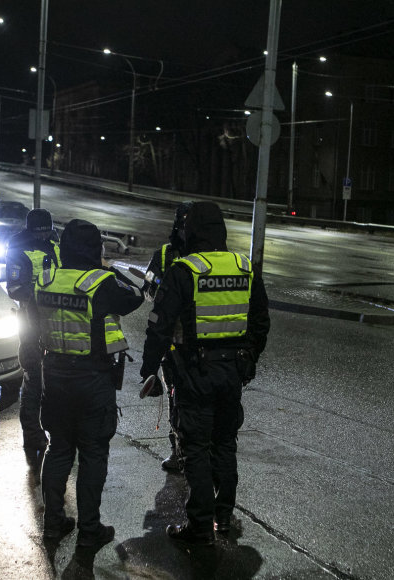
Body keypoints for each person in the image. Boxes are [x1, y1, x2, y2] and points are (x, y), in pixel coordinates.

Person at [140, 201, 270, 545]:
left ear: (191, 229)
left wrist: (149, 369)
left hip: (194, 372)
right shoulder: (244, 267)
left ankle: (199, 525)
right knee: (225, 444)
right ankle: (223, 517)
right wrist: (247, 358)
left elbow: (159, 326)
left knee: (195, 447)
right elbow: (261, 322)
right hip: (232, 372)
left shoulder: (185, 270)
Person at [35, 219, 144, 547]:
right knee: (93, 454)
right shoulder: (103, 283)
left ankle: (53, 523)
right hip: (91, 379)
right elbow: (137, 296)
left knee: (58, 450)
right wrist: (107, 267)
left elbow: (30, 325)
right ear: (96, 249)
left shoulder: (45, 280)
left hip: (53, 376)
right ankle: (89, 530)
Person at [6, 208, 60, 470]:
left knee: (55, 381)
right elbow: (16, 288)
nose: (44, 235)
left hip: (56, 324)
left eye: (47, 230)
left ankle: (54, 430)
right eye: (40, 231)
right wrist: (45, 298)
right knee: (34, 381)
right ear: (31, 230)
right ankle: (32, 434)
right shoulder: (18, 249)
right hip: (31, 323)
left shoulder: (55, 244)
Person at [142, 201, 192, 474]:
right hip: (172, 341)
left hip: (199, 341)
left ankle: (189, 452)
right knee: (176, 396)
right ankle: (178, 449)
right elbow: (147, 287)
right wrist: (161, 291)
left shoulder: (214, 255)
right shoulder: (163, 255)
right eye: (183, 222)